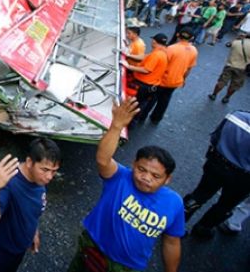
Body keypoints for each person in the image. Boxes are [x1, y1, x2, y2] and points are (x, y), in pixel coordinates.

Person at [67, 98, 184, 272]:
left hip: (127, 267)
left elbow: (171, 241)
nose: (146, 177)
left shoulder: (174, 203)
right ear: (133, 165)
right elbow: (102, 159)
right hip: (92, 249)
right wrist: (117, 125)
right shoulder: (120, 177)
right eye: (141, 169)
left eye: (155, 176)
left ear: (167, 179)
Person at [0, 139, 61, 272]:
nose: (50, 176)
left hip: (17, 251)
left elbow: (33, 209)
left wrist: (33, 230)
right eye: (45, 169)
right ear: (29, 162)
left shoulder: (39, 180)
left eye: (54, 171)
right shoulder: (9, 182)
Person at [183, 110, 250, 238]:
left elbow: (215, 137)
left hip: (218, 163)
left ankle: (178, 223)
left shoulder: (236, 116)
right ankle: (204, 228)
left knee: (200, 193)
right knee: (225, 205)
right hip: (243, 178)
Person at [148, 28, 198, 124]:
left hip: (162, 80)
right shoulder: (194, 50)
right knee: (164, 100)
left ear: (178, 35)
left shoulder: (171, 48)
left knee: (152, 99)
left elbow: (162, 64)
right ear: (191, 38)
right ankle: (156, 118)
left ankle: (143, 115)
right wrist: (183, 79)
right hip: (176, 81)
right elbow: (189, 68)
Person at [121, 33, 168, 127]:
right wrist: (128, 55)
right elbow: (143, 57)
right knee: (140, 104)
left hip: (143, 86)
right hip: (151, 86)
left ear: (154, 41)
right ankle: (132, 122)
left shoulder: (156, 55)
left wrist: (128, 66)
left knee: (133, 105)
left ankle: (128, 124)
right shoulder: (162, 52)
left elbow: (146, 70)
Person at [207, 34, 250, 103]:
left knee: (222, 81)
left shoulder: (237, 42)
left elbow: (228, 45)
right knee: (235, 84)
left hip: (230, 65)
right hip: (242, 68)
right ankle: (226, 97)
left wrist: (237, 38)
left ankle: (214, 94)